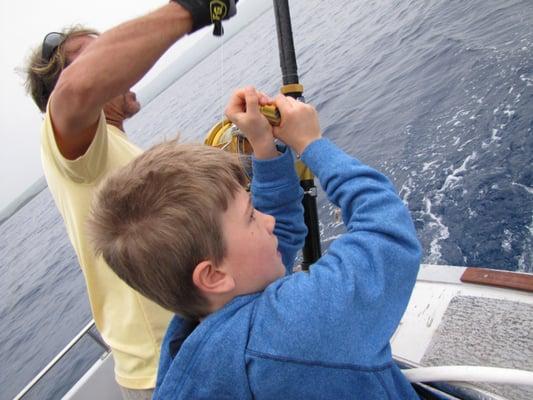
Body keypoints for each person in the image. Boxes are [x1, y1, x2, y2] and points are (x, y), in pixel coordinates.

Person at [87, 86, 422, 399]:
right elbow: (388, 234)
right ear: (213, 276)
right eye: (251, 215)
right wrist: (311, 144)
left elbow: (277, 240)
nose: (268, 220)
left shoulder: (192, 336)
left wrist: (263, 145)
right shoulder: (294, 329)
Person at [23, 1, 238, 398]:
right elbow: (75, 90)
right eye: (100, 54)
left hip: (202, 341)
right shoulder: (75, 152)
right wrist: (195, 8)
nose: (128, 60)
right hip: (172, 366)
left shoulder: (111, 146)